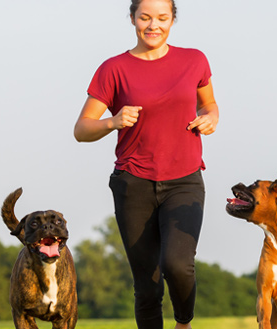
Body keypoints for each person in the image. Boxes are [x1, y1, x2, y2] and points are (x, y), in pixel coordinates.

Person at [73, 0, 219, 328]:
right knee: (147, 283)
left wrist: (211, 117)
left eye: (162, 18)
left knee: (177, 264)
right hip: (133, 183)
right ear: (132, 18)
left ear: (173, 20)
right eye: (146, 17)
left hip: (185, 180)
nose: (154, 25)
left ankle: (183, 322)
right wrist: (112, 122)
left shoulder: (194, 60)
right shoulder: (114, 69)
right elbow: (81, 129)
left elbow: (209, 104)